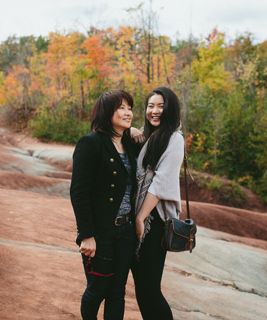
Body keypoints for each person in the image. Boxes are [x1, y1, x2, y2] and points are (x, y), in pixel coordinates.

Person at [71, 90, 139, 320]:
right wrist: (86, 234)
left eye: (129, 107)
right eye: (121, 107)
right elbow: (78, 192)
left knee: (117, 292)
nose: (127, 112)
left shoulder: (129, 144)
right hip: (101, 232)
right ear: (106, 111)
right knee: (98, 288)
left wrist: (137, 132)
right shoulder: (90, 143)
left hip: (126, 230)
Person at [132, 86, 184, 319]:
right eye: (150, 106)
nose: (154, 111)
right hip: (141, 216)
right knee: (143, 290)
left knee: (150, 289)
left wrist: (140, 217)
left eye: (160, 106)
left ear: (170, 109)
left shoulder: (174, 138)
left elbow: (161, 183)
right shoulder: (150, 137)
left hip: (153, 221)